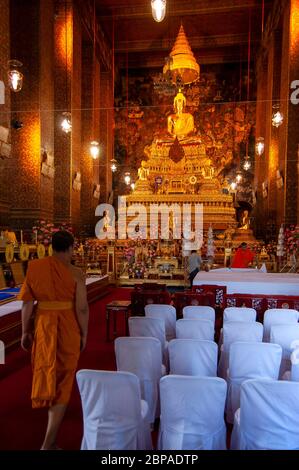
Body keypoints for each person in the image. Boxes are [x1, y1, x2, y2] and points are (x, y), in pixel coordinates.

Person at [19, 231, 89, 450]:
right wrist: (85, 333)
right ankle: (48, 443)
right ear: (69, 248)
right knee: (63, 381)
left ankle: (50, 439)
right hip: (67, 327)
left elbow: (27, 304)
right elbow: (82, 308)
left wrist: (24, 331)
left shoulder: (35, 267)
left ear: (51, 248)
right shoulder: (76, 273)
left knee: (48, 372)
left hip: (43, 325)